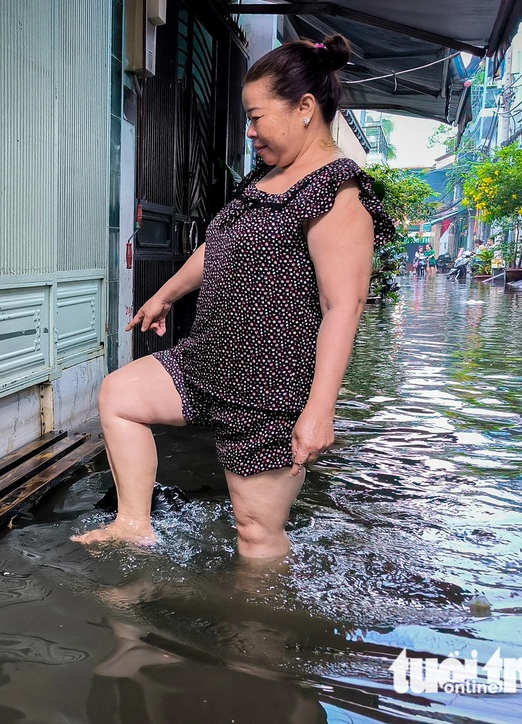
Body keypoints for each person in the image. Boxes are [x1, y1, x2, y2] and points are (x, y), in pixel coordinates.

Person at [72, 35, 394, 558]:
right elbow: (220, 246)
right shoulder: (267, 178)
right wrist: (164, 295)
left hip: (270, 391)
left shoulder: (338, 194)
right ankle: (134, 523)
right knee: (120, 396)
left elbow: (344, 307)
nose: (250, 131)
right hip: (208, 361)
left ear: (305, 109)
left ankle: (259, 634)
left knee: (255, 532)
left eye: (257, 116)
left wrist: (320, 411)